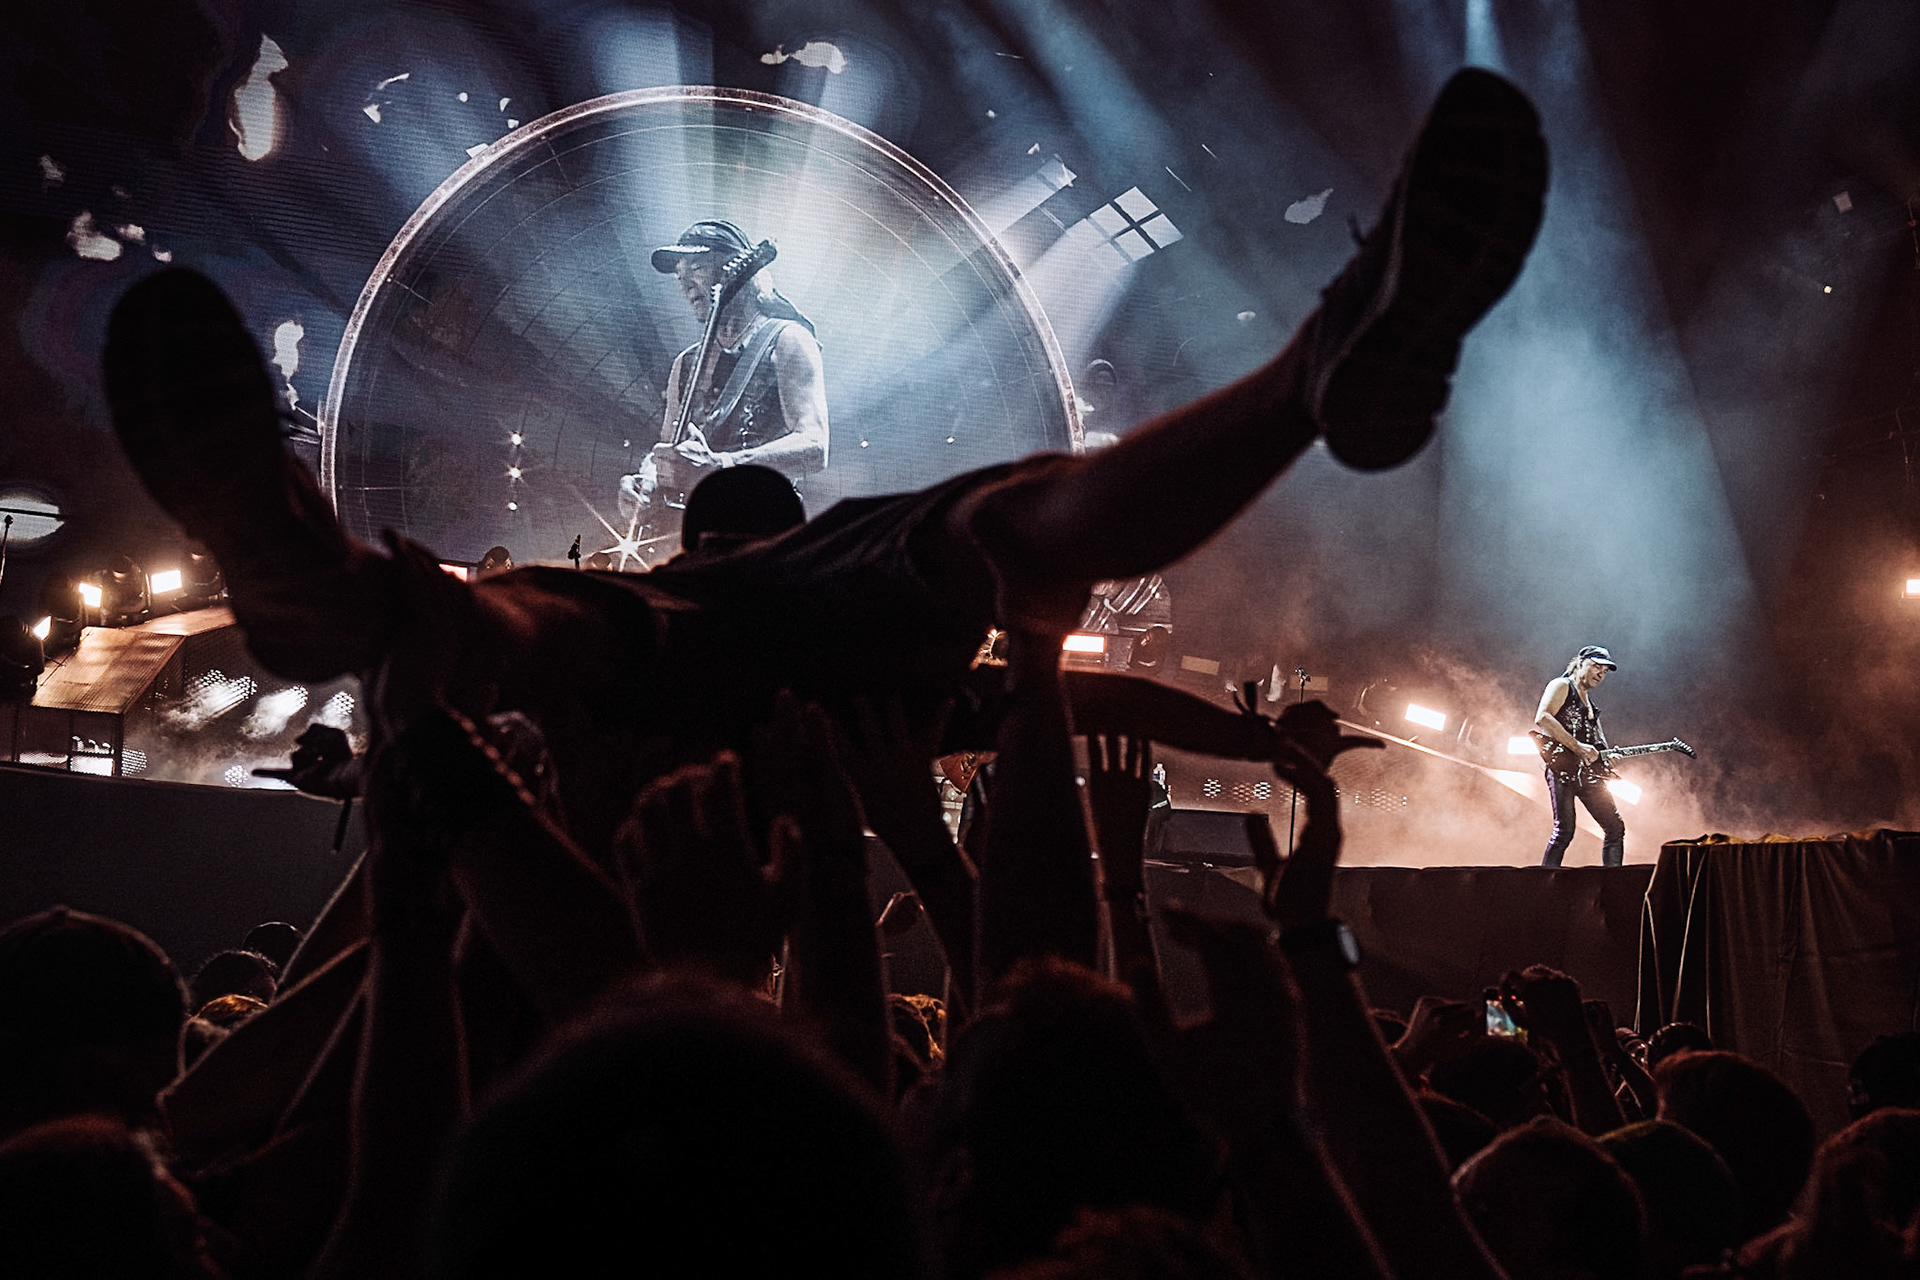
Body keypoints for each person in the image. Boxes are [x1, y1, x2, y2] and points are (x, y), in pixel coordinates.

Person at [102, 70, 1549, 857]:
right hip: (843, 634)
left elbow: (787, 461)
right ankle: (1314, 372)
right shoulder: (875, 651)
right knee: (1014, 534)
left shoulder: (712, 514)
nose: (680, 293)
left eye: (691, 273)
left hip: (688, 642)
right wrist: (1254, 743)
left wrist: (360, 764)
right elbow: (1110, 689)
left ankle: (351, 592)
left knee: (538, 623)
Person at [617, 220, 829, 522]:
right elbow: (667, 449)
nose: (685, 284)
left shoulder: (787, 340)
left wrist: (722, 466)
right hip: (699, 531)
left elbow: (814, 446)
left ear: (736, 270)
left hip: (764, 529)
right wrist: (646, 479)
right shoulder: (686, 364)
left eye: (697, 268)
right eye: (680, 275)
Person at [1534, 645, 1627, 868]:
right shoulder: (1561, 685)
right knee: (1564, 830)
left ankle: (1613, 885)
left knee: (1615, 828)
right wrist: (1578, 747)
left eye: (1604, 672)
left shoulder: (1591, 706)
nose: (1600, 674)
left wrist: (1607, 757)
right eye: (1596, 666)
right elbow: (1543, 718)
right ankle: (1543, 883)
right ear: (1580, 663)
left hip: (1588, 774)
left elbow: (1597, 744)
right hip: (1562, 769)